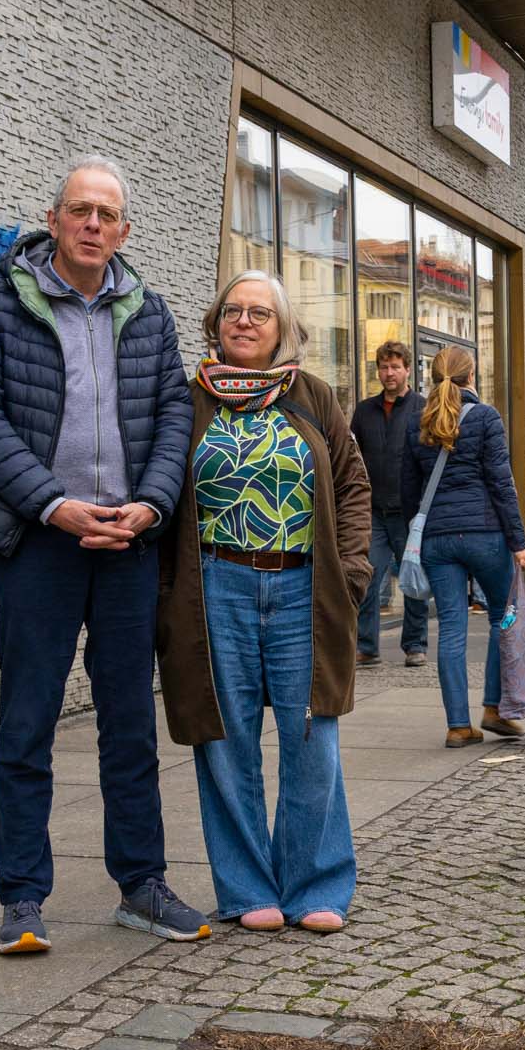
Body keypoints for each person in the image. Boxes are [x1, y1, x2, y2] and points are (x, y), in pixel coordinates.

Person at [0, 155, 208, 957]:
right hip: (39, 542)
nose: (93, 224)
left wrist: (152, 505)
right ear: (56, 221)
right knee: (27, 721)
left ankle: (141, 885)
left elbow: (173, 416)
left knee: (129, 726)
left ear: (124, 231)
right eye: (80, 211)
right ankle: (22, 897)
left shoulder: (150, 311)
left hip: (129, 544)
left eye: (107, 214)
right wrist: (54, 506)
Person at [155, 272, 371, 934]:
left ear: (282, 329)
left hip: (303, 587)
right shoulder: (188, 402)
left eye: (259, 314)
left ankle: (315, 886)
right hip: (214, 586)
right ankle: (248, 889)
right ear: (216, 324)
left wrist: (353, 573)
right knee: (226, 739)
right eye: (232, 312)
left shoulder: (313, 397)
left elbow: (353, 486)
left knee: (313, 735)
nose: (244, 322)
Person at [403, 347, 525, 748]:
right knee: (501, 617)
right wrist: (519, 543)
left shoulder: (418, 422)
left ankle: (458, 725)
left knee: (451, 628)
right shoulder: (487, 417)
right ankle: (494, 709)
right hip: (485, 534)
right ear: (470, 376)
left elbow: (410, 491)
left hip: (438, 539)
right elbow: (501, 483)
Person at [349, 341, 427, 667]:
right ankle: (367, 646)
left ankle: (415, 646)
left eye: (395, 367)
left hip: (410, 513)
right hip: (374, 512)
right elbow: (351, 455)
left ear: (407, 369)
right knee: (367, 576)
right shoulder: (364, 410)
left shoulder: (422, 407)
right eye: (383, 367)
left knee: (413, 580)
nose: (389, 373)